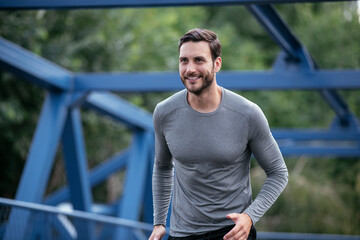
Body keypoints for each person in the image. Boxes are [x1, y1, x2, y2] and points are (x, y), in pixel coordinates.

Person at [148, 28, 288, 240]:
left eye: (199, 60)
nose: (190, 69)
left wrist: (250, 217)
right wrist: (159, 222)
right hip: (182, 234)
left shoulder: (248, 114)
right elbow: (162, 167)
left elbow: (278, 173)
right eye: (184, 61)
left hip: (231, 233)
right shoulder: (164, 113)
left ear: (217, 64)